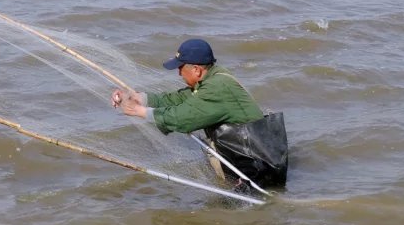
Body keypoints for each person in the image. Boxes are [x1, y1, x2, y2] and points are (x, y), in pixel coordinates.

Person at [111, 38, 288, 188]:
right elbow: (177, 99)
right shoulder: (214, 77)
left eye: (181, 68)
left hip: (257, 171)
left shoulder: (216, 88)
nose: (179, 73)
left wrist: (141, 112)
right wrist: (138, 98)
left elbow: (181, 119)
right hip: (247, 162)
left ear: (196, 69)